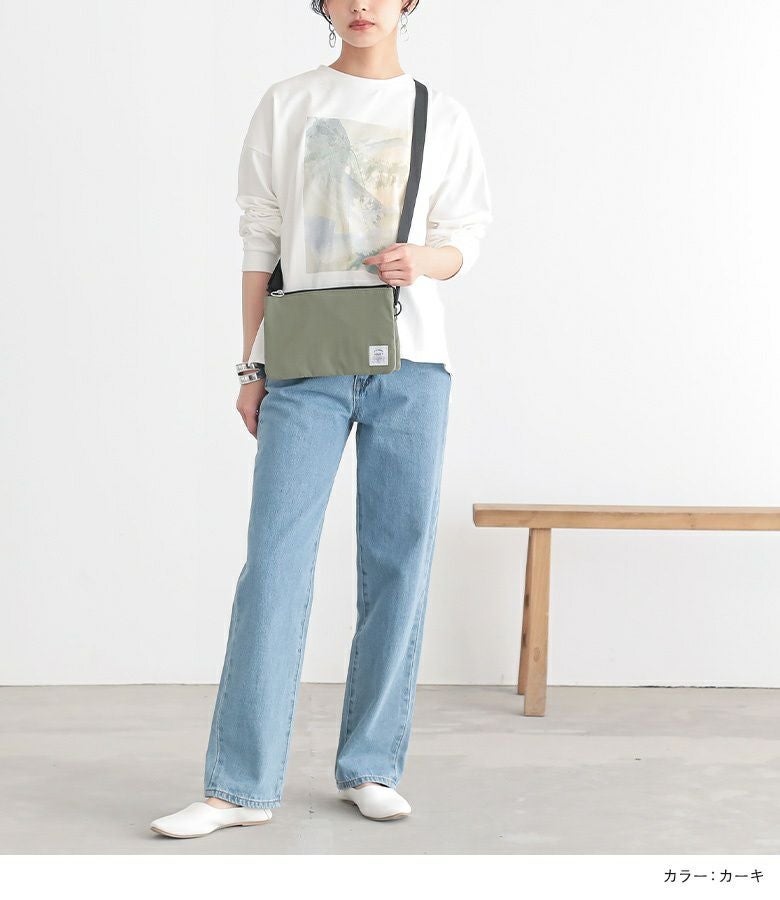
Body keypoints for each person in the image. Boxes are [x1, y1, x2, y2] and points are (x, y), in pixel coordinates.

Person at [150, 0, 491, 839]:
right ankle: (238, 786)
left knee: (398, 562)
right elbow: (259, 240)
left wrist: (424, 259)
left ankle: (371, 766)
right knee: (274, 563)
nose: (361, 4)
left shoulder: (440, 114)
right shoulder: (290, 102)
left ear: (409, 3)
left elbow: (466, 237)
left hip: (412, 362)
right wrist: (251, 364)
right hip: (303, 362)